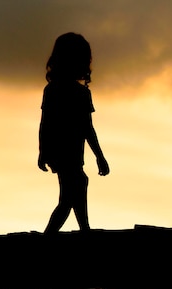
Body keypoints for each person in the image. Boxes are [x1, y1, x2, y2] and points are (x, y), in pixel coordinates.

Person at [38, 32, 109, 234]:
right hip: (64, 152)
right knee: (72, 191)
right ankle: (57, 233)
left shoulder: (54, 91)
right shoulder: (74, 93)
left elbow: (47, 124)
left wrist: (43, 152)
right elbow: (86, 128)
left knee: (76, 186)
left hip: (67, 152)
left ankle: (83, 228)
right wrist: (100, 156)